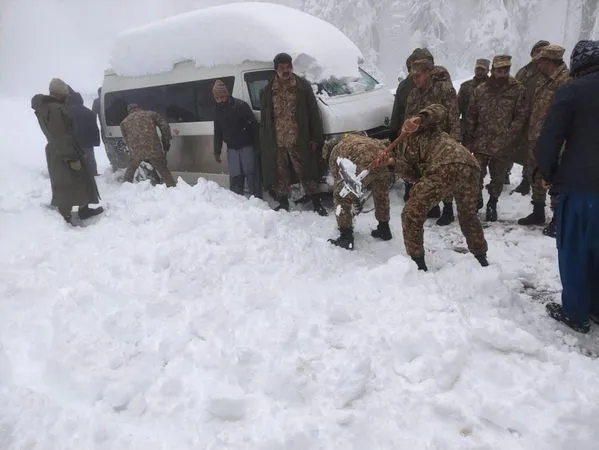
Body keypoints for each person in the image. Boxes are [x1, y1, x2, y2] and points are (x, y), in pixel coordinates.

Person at [537, 40, 599, 333]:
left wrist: (547, 172)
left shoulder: (572, 91)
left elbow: (551, 139)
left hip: (581, 188)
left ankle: (576, 312)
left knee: (575, 250)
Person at [394, 104, 488, 271]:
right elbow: (415, 175)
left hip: (449, 164)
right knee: (468, 216)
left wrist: (420, 118)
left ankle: (418, 266)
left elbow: (440, 110)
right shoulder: (404, 150)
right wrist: (391, 163)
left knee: (411, 213)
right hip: (469, 167)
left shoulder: (426, 129)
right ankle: (482, 260)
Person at [260, 52, 327, 216]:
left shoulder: (302, 87)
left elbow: (314, 114)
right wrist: (266, 142)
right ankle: (283, 204)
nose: (286, 70)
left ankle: (317, 203)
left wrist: (315, 137)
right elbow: (265, 120)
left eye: (288, 66)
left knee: (307, 172)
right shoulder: (268, 90)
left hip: (300, 139)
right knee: (280, 175)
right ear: (276, 69)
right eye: (282, 67)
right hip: (278, 142)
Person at [463, 55, 527, 221]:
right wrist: (469, 139)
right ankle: (477, 198)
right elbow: (471, 116)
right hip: (481, 143)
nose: (503, 72)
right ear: (493, 70)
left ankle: (492, 202)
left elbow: (521, 116)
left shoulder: (517, 90)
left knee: (498, 177)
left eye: (506, 69)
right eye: (499, 70)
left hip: (503, 144)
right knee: (476, 175)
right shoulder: (481, 90)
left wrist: (510, 135)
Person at [31, 78, 103, 224]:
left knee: (77, 180)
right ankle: (66, 215)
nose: (67, 96)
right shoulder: (55, 109)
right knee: (67, 183)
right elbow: (61, 136)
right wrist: (71, 158)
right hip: (63, 151)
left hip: (59, 150)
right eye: (65, 93)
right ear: (59, 93)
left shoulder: (47, 107)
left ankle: (83, 209)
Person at [518, 44, 570, 234]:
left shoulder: (566, 81)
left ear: (549, 62)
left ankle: (558, 218)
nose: (537, 65)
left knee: (555, 177)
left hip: (555, 140)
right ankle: (538, 210)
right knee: (535, 174)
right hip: (536, 137)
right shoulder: (542, 79)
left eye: (540, 61)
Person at [405, 57, 461, 226]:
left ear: (428, 73)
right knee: (427, 173)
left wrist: (455, 140)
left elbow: (453, 115)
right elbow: (409, 117)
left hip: (443, 140)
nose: (415, 80)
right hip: (423, 142)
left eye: (418, 76)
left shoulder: (444, 89)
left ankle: (449, 208)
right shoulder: (414, 93)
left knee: (445, 173)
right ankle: (433, 206)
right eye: (413, 77)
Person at [324, 133, 392, 250]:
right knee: (381, 194)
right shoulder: (354, 139)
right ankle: (384, 228)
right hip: (383, 156)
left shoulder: (335, 152)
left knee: (341, 196)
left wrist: (351, 201)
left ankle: (346, 238)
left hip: (364, 160)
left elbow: (342, 184)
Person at [389, 48, 434, 202]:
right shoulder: (408, 85)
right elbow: (398, 110)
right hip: (415, 134)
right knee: (421, 166)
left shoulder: (438, 85)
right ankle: (419, 196)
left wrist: (394, 131)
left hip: (417, 134)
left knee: (415, 165)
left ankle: (414, 194)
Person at [511, 40, 550, 195]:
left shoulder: (550, 71)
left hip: (542, 119)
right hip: (524, 117)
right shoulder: (524, 71)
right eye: (538, 51)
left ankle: (531, 182)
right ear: (532, 53)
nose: (540, 54)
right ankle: (520, 178)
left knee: (536, 152)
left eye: (544, 51)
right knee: (521, 149)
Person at [212, 80, 262, 198]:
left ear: (227, 94)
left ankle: (257, 199)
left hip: (246, 146)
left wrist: (257, 146)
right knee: (235, 176)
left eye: (222, 97)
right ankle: (237, 200)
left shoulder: (241, 105)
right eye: (217, 98)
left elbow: (253, 126)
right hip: (232, 149)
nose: (220, 100)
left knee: (252, 174)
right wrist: (217, 151)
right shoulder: (216, 111)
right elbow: (217, 132)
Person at [120, 104, 176, 187]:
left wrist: (132, 152)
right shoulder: (151, 114)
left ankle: (125, 187)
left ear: (129, 111)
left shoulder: (124, 122)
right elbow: (164, 126)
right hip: (153, 147)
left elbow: (126, 139)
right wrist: (165, 141)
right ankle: (172, 187)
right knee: (163, 169)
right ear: (139, 108)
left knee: (131, 170)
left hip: (136, 150)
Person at [67, 91, 100, 176]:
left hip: (73, 143)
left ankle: (76, 176)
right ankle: (93, 176)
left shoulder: (66, 112)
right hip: (87, 143)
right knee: (90, 161)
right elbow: (94, 128)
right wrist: (96, 142)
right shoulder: (89, 112)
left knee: (75, 162)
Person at [457, 58, 490, 141]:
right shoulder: (465, 86)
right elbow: (457, 109)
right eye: (478, 69)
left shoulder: (493, 88)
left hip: (486, 131)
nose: (480, 72)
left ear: (487, 70)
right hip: (467, 130)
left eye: (482, 69)